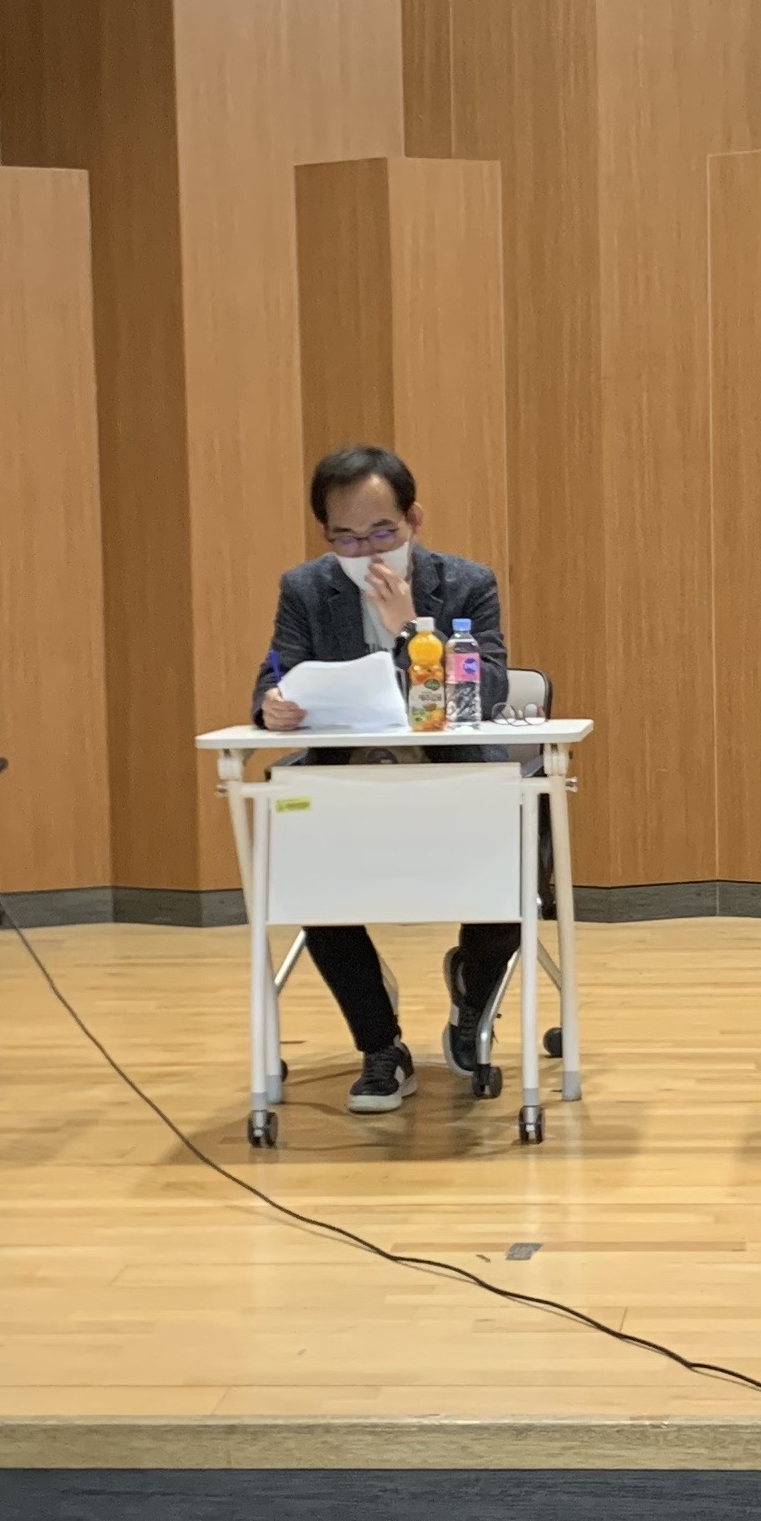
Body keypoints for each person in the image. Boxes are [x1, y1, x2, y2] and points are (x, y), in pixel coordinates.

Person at [252, 444, 520, 1116]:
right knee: (312, 880)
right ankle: (380, 1047)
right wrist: (271, 706)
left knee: (514, 870)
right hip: (348, 783)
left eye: (381, 532)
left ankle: (471, 1003)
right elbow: (274, 675)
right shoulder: (305, 588)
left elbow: (488, 690)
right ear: (324, 534)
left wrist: (412, 630)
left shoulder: (466, 582)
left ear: (413, 519)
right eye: (345, 537)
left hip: (452, 780)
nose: (364, 550)